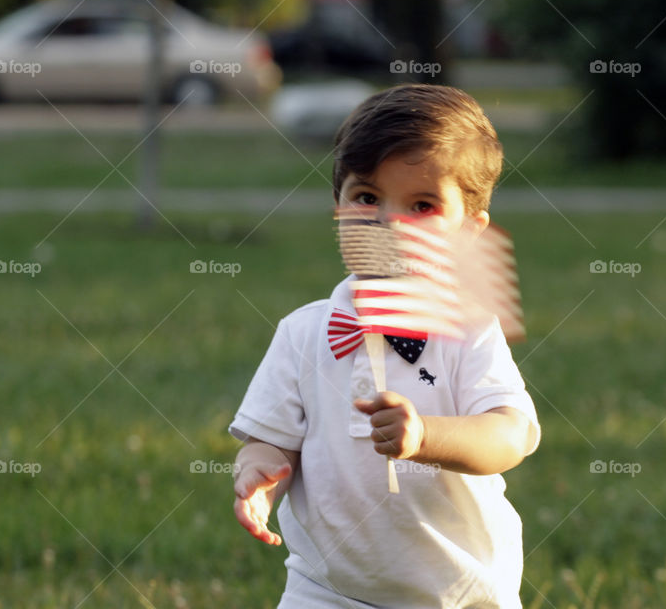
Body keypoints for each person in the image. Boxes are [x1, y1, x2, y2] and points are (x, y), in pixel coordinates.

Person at [230, 84, 541, 608]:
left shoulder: (469, 330)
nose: (388, 222)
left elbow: (509, 437)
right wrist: (258, 473)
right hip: (326, 587)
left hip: (458, 591)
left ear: (468, 230)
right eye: (368, 197)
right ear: (339, 206)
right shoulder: (303, 333)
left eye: (421, 205)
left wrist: (426, 435)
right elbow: (272, 438)